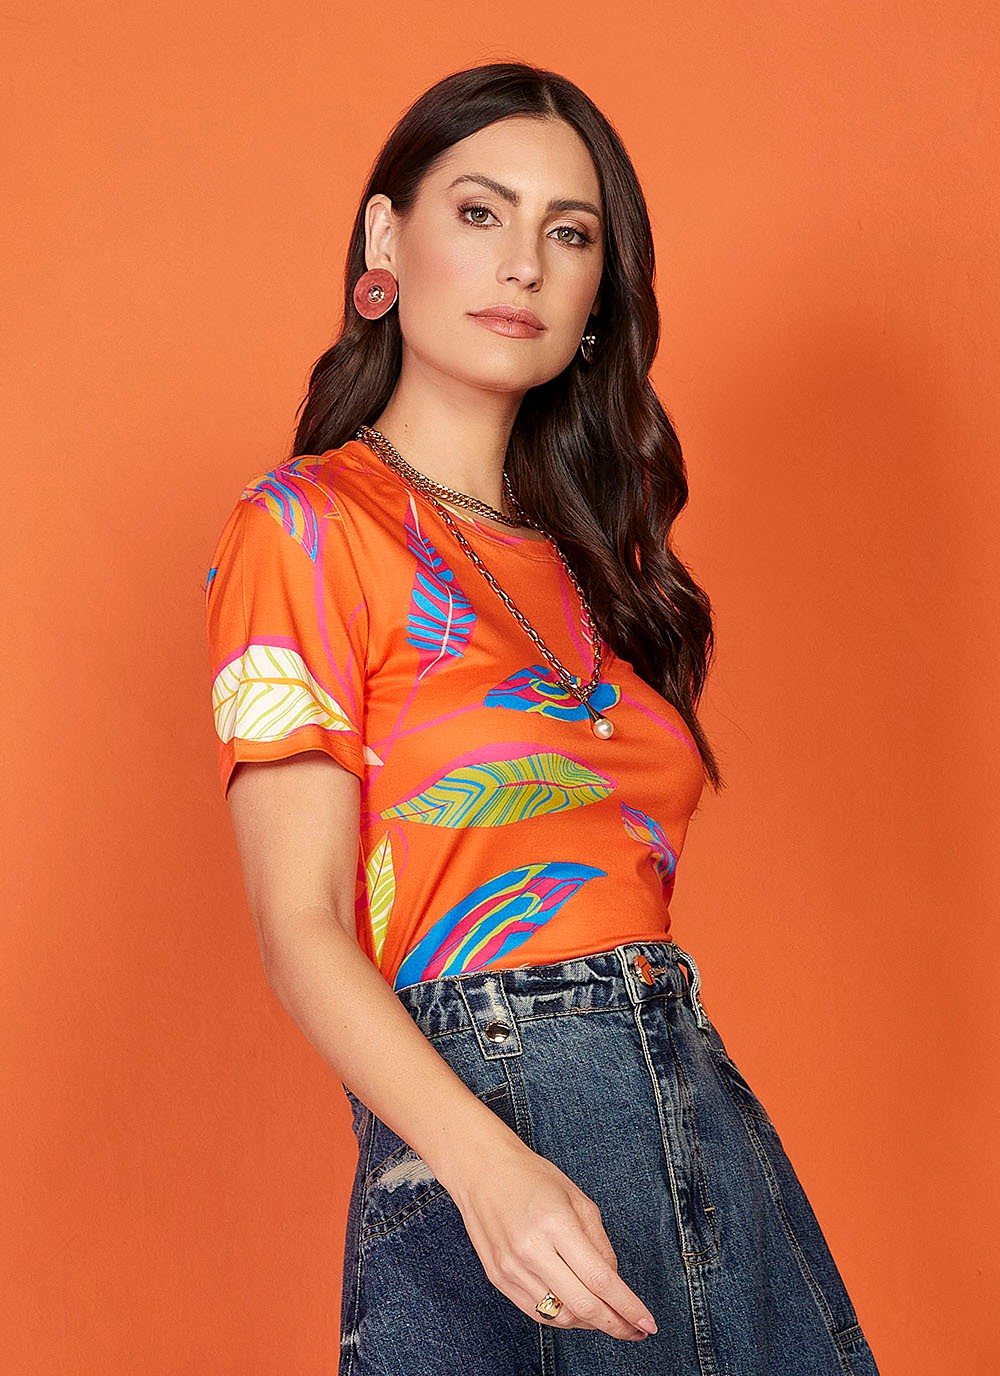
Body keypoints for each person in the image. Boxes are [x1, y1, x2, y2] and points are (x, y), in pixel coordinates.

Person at [203, 60, 881, 1376]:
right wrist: (485, 1168)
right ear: (386, 238)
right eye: (480, 213)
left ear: (596, 294)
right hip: (489, 1137)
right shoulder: (305, 527)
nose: (523, 263)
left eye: (569, 234)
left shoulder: (596, 571)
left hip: (702, 1130)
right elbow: (301, 928)